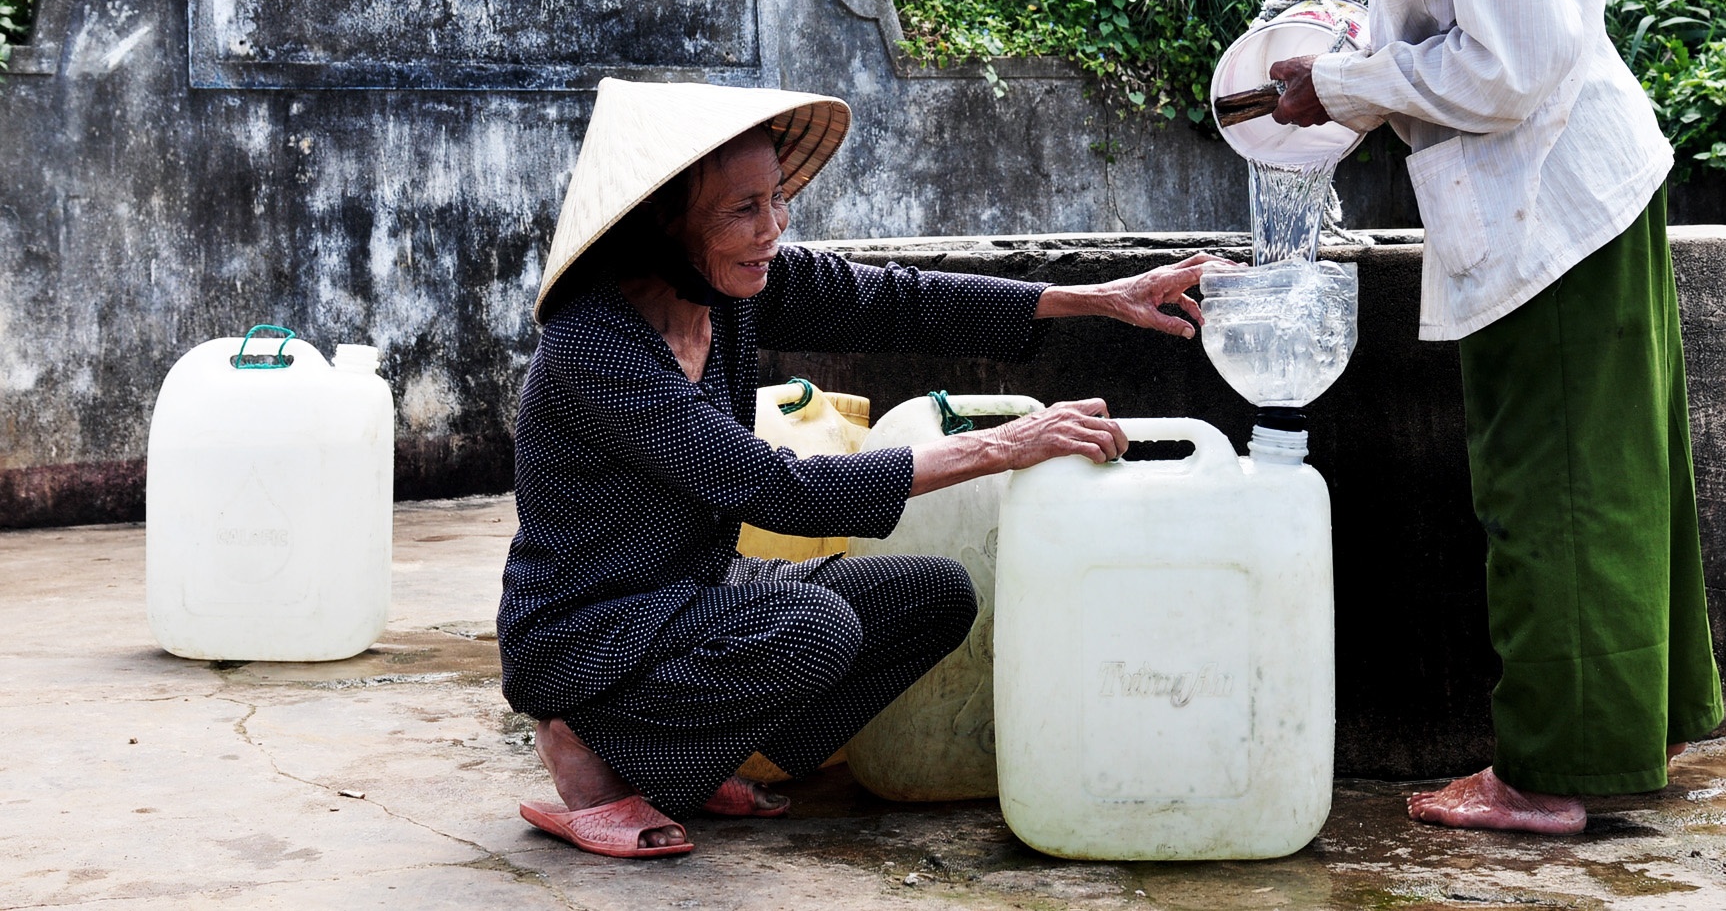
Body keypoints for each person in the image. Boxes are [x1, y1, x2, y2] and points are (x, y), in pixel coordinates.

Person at [1154, 0, 1724, 834]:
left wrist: (1337, 82)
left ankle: (1546, 777)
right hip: (1568, 187)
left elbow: (1516, 61)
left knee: (1552, 484)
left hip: (1548, 197)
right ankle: (1623, 728)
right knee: (1608, 472)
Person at [498, 78, 1218, 857]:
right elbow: (784, 491)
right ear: (660, 227)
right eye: (742, 210)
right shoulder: (593, 348)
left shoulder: (735, 289)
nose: (771, 229)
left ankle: (680, 764)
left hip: (697, 598)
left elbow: (898, 302)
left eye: (777, 200)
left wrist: (1100, 298)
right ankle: (587, 750)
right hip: (591, 634)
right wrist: (1004, 444)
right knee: (816, 628)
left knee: (937, 596)